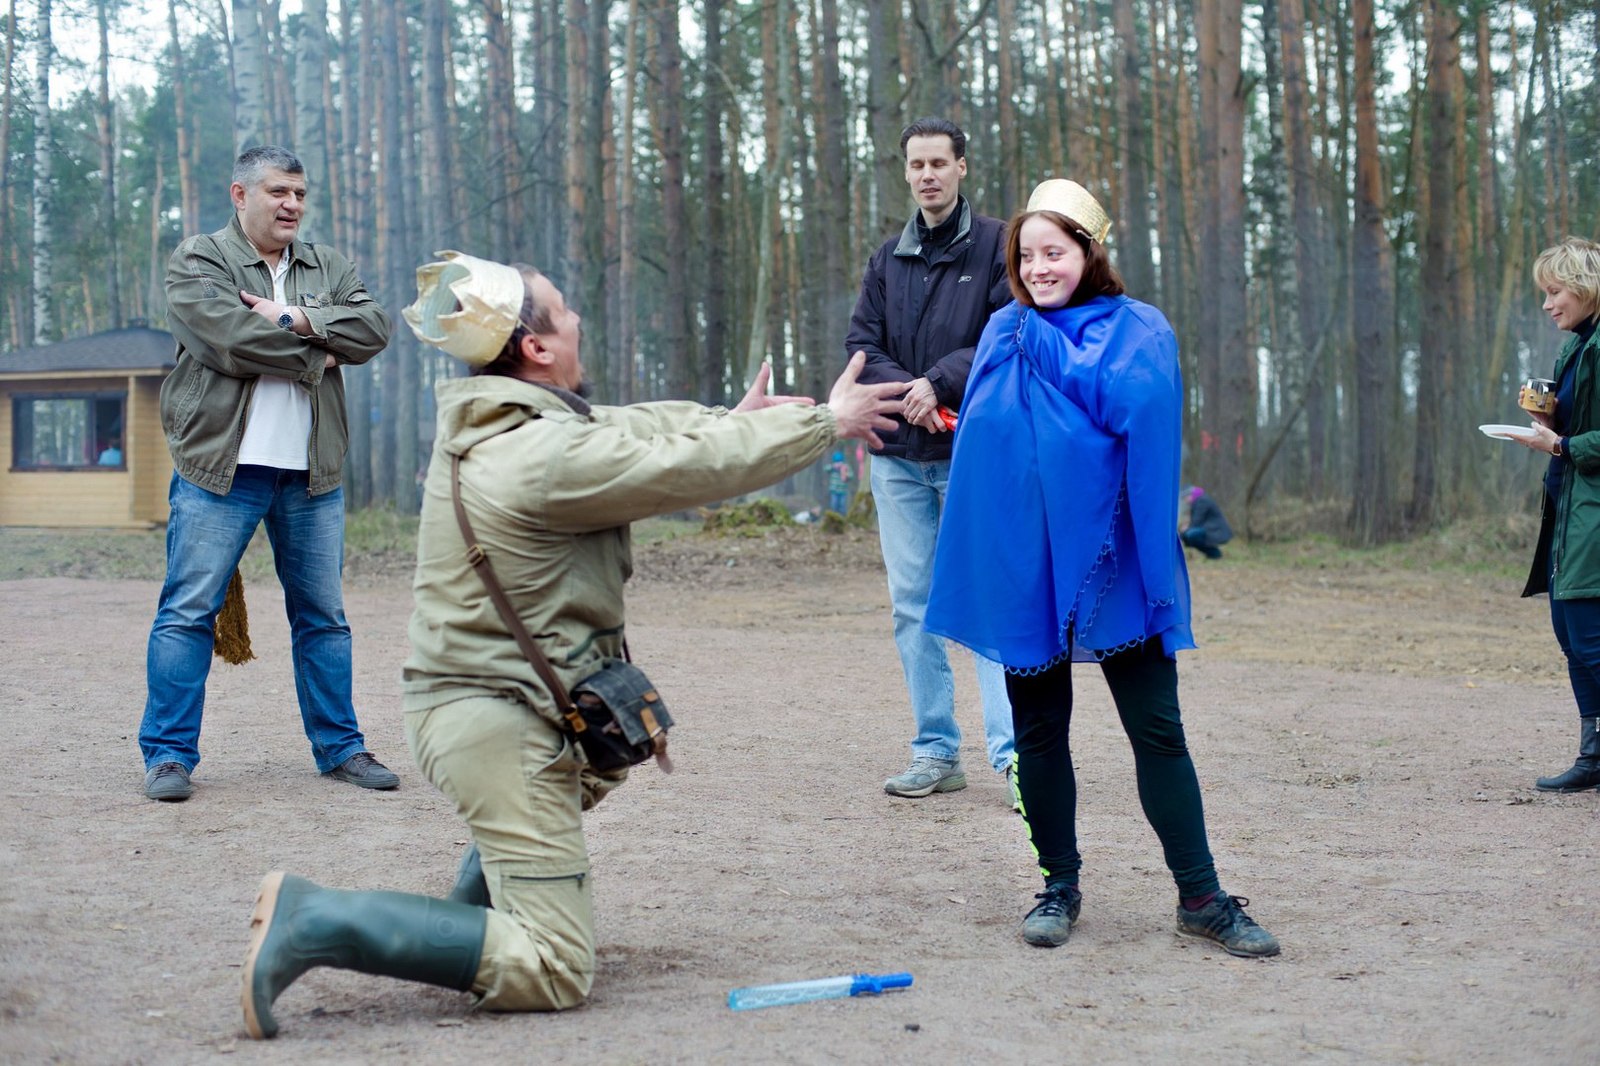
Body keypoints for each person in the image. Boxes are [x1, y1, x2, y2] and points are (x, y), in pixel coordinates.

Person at [236, 251, 906, 1038]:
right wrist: (823, 424)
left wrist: (736, 420)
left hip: (499, 705)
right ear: (537, 348)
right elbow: (672, 463)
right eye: (564, 309)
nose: (578, 317)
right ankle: (315, 919)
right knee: (555, 966)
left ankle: (474, 909)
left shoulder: (522, 422)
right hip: (497, 720)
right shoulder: (538, 456)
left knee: (600, 758)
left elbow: (639, 427)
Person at [926, 179, 1280, 958]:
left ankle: (1202, 897)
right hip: (1029, 563)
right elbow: (984, 448)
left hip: (1116, 560)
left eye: (1055, 252)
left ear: (1090, 253)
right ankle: (1058, 885)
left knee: (1158, 732)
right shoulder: (1002, 333)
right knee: (1039, 733)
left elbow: (1143, 432)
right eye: (1027, 255)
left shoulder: (1137, 330)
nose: (1040, 267)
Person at [137, 145, 398, 802]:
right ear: (240, 195)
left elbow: (373, 329)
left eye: (300, 195)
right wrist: (321, 354)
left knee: (324, 618)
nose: (292, 206)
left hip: (310, 475)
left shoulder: (326, 265)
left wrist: (295, 316)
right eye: (279, 192)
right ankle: (168, 755)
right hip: (219, 471)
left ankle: (340, 748)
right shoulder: (199, 259)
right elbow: (226, 338)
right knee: (187, 613)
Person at [845, 116, 1015, 800]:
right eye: (916, 164)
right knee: (911, 606)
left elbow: (1007, 332)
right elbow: (862, 343)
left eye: (939, 163)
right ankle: (937, 751)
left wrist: (937, 381)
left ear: (962, 167)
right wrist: (908, 392)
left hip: (974, 459)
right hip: (897, 459)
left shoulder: (1002, 245)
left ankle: (1016, 758)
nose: (927, 175)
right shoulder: (887, 259)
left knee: (992, 606)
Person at [1512, 236, 1600, 793]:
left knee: (1591, 638)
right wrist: (1545, 417)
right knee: (1571, 638)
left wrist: (1563, 447)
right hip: (1568, 506)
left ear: (1586, 286)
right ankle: (1593, 755)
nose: (1547, 304)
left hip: (1591, 512)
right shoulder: (1576, 344)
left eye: (1555, 290)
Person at [1181, 485, 1233, 560]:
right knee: (1186, 536)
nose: (1184, 501)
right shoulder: (1199, 501)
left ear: (1190, 495)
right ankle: (1213, 555)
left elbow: (1197, 521)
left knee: (1190, 535)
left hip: (1215, 531)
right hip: (1209, 529)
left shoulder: (1202, 501)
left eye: (1184, 498)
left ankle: (1215, 554)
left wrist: (1186, 529)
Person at [827, 449, 855, 513]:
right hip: (834, 490)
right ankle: (834, 516)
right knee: (834, 504)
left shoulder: (845, 467)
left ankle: (842, 518)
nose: (838, 463)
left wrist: (845, 474)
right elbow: (826, 469)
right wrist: (833, 467)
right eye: (836, 462)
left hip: (842, 490)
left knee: (842, 505)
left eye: (839, 462)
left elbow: (851, 475)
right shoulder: (832, 468)